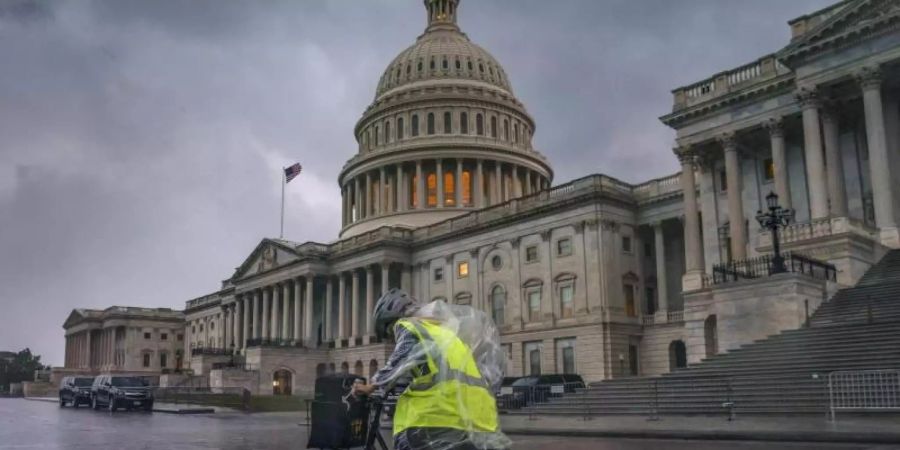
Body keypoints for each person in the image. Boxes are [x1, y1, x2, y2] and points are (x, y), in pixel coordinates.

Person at [353, 288, 507, 450]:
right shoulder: (444, 334)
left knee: (404, 439)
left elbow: (401, 357)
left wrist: (373, 385)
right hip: (480, 420)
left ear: (393, 319)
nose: (393, 336)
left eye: (390, 330)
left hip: (440, 416)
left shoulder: (408, 325)